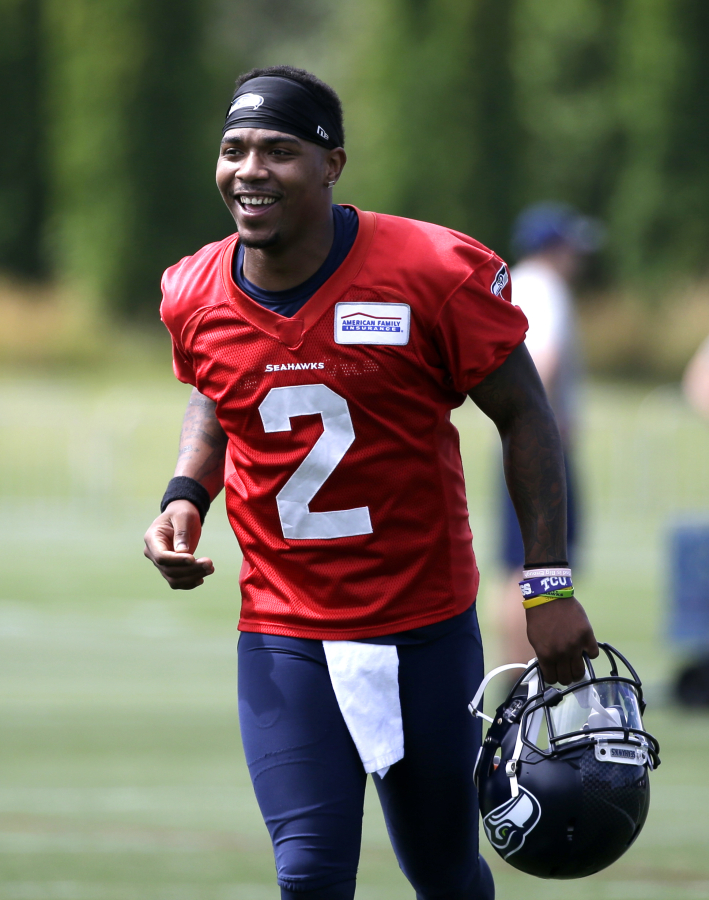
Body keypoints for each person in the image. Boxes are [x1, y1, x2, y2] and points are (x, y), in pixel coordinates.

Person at [143, 65, 598, 900]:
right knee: (309, 876)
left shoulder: (431, 269)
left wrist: (546, 585)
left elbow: (527, 415)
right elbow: (218, 394)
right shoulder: (194, 290)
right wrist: (183, 495)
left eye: (278, 150)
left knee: (444, 876)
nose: (250, 170)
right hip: (285, 632)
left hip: (420, 626)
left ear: (331, 164)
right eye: (234, 149)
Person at [497, 203, 602, 666]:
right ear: (554, 247)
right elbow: (546, 359)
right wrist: (544, 422)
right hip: (541, 447)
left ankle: (517, 671)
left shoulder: (516, 282)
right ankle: (527, 673)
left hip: (521, 443)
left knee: (515, 563)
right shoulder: (547, 288)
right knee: (537, 564)